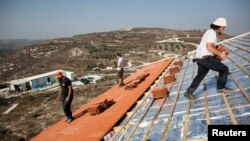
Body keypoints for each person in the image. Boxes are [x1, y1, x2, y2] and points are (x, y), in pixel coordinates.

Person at [185, 17, 233, 99]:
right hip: (206, 58)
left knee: (200, 76)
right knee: (224, 69)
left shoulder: (209, 32)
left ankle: (188, 92)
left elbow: (210, 46)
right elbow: (209, 47)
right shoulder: (211, 33)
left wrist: (218, 49)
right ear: (218, 26)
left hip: (200, 59)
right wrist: (220, 53)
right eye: (223, 27)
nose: (223, 29)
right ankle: (221, 88)